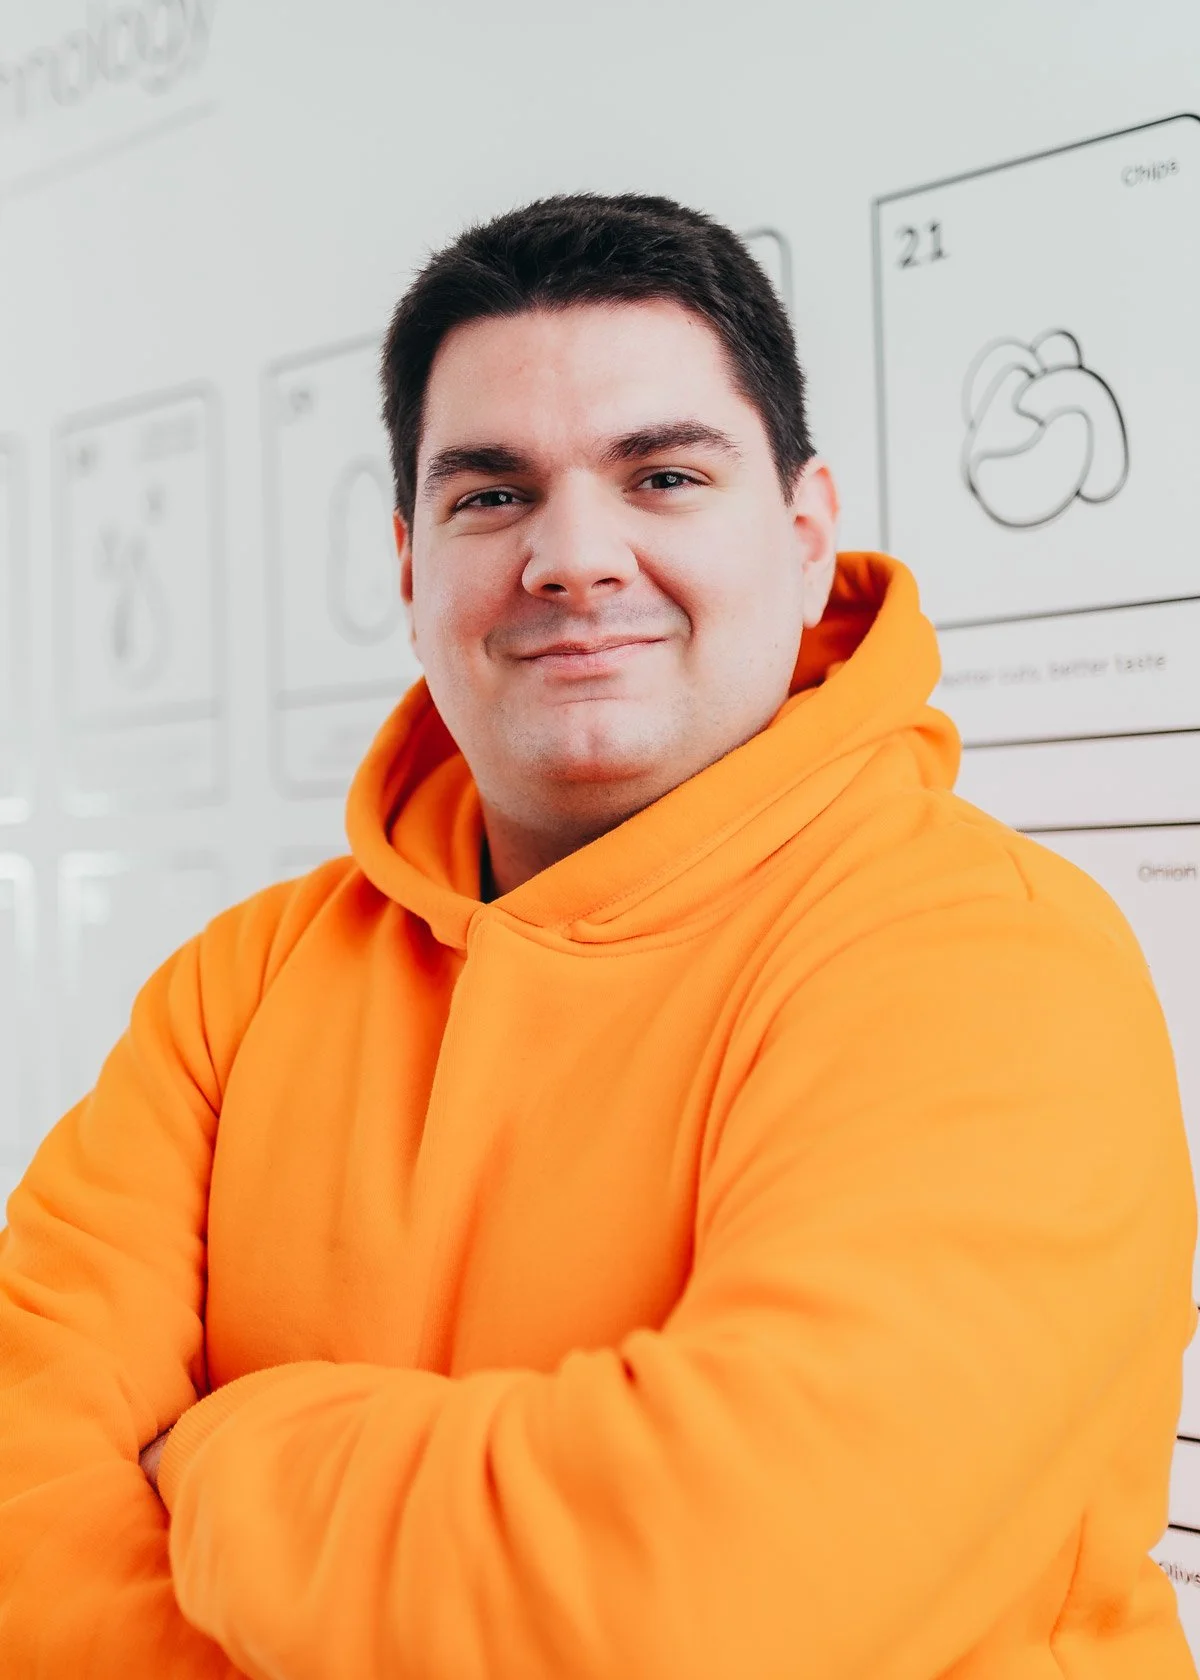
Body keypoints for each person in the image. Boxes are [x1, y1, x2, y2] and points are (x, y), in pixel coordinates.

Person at [0, 192, 1196, 1680]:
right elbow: (21, 1523)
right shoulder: (235, 995)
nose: (573, 557)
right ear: (408, 567)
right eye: (490, 494)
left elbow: (711, 1600)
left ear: (808, 534)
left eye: (664, 476)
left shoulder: (989, 964)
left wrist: (234, 1456)